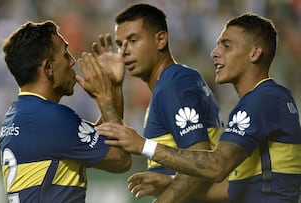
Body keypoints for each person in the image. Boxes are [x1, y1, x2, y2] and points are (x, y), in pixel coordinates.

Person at [96, 13, 301, 203]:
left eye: (227, 46)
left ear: (254, 53)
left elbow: (216, 166)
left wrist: (143, 145)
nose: (215, 53)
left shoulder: (261, 100)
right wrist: (170, 182)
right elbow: (235, 186)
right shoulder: (270, 98)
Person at [93, 3, 225, 202]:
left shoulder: (173, 85)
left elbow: (200, 159)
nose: (124, 52)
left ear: (161, 39)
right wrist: (114, 87)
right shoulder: (170, 83)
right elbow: (110, 147)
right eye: (120, 44)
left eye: (133, 40)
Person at [0, 20, 131, 203]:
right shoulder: (51, 118)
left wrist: (113, 87)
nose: (72, 61)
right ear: (48, 68)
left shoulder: (20, 115)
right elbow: (120, 159)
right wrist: (105, 97)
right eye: (65, 54)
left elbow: (104, 138)